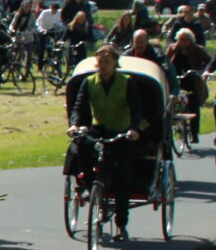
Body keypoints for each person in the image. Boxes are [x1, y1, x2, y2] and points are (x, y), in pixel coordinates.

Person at [65, 45, 162, 226]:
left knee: (122, 176)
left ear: (114, 63)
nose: (103, 65)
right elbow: (79, 106)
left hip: (121, 130)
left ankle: (121, 222)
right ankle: (88, 183)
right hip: (99, 126)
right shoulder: (89, 82)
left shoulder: (126, 82)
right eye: (100, 62)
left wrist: (133, 129)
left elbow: (136, 110)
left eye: (107, 62)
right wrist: (75, 125)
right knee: (82, 143)